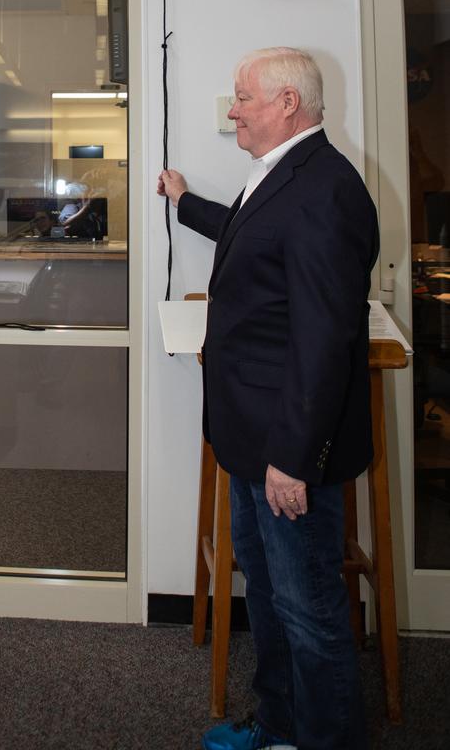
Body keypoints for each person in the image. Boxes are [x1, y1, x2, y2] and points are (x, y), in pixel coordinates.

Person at [157, 48, 378, 750]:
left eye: (242, 98)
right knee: (273, 599)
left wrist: (291, 456)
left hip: (285, 450)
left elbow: (321, 338)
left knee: (309, 612)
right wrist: (183, 201)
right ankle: (281, 725)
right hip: (250, 438)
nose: (232, 111)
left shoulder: (326, 189)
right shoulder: (285, 176)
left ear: (286, 102)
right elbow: (249, 239)